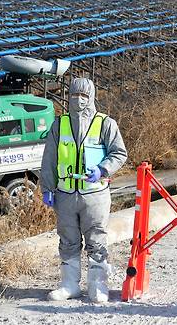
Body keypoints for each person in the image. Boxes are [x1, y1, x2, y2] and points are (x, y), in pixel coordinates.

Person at [40, 78, 128, 303]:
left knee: (96, 240)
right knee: (67, 241)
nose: (78, 99)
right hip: (65, 195)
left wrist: (102, 170)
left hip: (95, 195)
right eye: (74, 95)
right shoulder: (60, 125)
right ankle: (69, 285)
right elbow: (49, 158)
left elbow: (119, 153)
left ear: (91, 97)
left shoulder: (105, 123)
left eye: (84, 96)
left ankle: (97, 286)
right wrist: (48, 188)